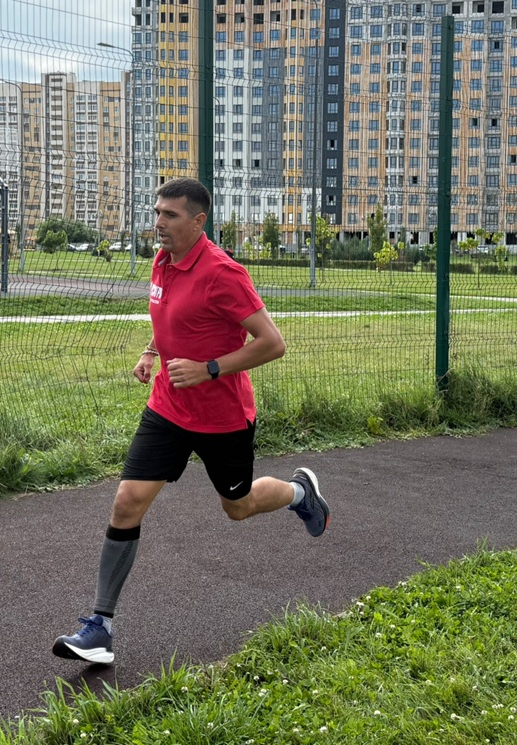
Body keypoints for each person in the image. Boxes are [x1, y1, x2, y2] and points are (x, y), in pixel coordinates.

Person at [52, 177, 329, 664]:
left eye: (170, 215)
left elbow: (272, 342)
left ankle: (301, 494)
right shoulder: (163, 260)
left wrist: (210, 369)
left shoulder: (224, 273)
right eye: (157, 212)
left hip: (222, 417)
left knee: (238, 507)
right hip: (168, 408)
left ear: (198, 221)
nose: (158, 222)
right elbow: (173, 319)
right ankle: (100, 628)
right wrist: (150, 351)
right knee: (126, 503)